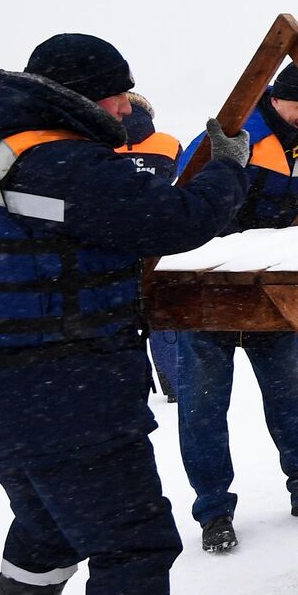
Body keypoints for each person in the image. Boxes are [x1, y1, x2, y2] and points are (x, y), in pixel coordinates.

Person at [0, 33, 253, 595]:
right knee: (134, 540)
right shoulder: (59, 160)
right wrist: (226, 171)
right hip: (64, 385)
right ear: (83, 93)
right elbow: (167, 220)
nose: (123, 106)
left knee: (45, 524)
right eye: (115, 92)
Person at [174, 64, 298, 554]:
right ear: (275, 99)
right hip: (207, 296)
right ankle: (214, 512)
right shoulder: (233, 138)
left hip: (272, 296)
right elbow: (185, 203)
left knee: (290, 401)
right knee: (204, 409)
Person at [114, 94, 185, 403]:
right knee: (160, 312)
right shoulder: (169, 144)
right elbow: (178, 183)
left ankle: (126, 388)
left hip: (113, 241)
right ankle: (175, 384)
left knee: (117, 315)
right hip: (158, 238)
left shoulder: (99, 145)